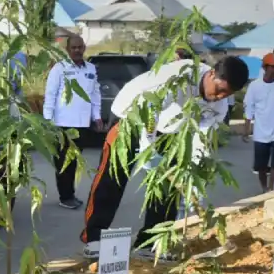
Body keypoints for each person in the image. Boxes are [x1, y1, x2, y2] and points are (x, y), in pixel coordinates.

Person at [80, 56, 249, 260]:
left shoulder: (219, 106)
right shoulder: (180, 77)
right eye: (220, 90)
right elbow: (150, 111)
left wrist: (193, 175)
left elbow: (202, 137)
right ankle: (94, 238)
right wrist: (149, 151)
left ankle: (151, 242)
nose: (220, 97)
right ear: (211, 73)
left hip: (170, 130)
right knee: (113, 176)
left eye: (227, 94)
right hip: (131, 115)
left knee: (167, 188)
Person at [43, 34, 102, 209]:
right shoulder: (59, 69)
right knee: (63, 162)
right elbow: (50, 96)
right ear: (67, 50)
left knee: (74, 161)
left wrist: (97, 116)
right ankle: (65, 197)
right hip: (62, 124)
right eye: (73, 48)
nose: (77, 50)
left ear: (84, 48)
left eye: (80, 47)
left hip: (82, 124)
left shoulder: (91, 69)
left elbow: (95, 94)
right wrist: (47, 122)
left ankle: (70, 194)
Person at [242, 52, 274, 192]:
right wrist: (246, 129)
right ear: (265, 67)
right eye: (273, 66)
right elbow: (249, 108)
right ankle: (264, 187)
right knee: (261, 166)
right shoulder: (255, 86)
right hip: (261, 133)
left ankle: (272, 187)